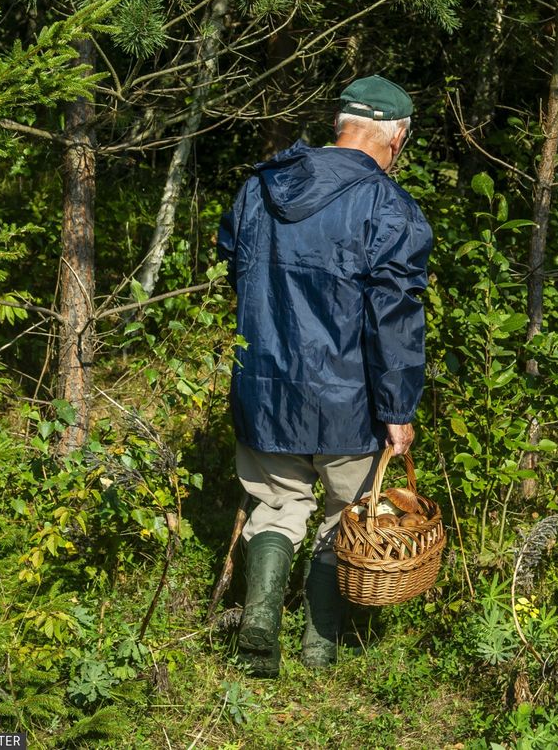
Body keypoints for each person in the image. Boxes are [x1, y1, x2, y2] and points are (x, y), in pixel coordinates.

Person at [216, 75, 432, 677]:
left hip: (264, 387)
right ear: (395, 137)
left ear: (341, 126)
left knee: (275, 503)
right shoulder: (387, 205)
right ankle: (320, 648)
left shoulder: (260, 188)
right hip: (350, 402)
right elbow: (394, 318)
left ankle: (259, 626)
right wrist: (397, 407)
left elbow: (237, 270)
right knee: (349, 513)